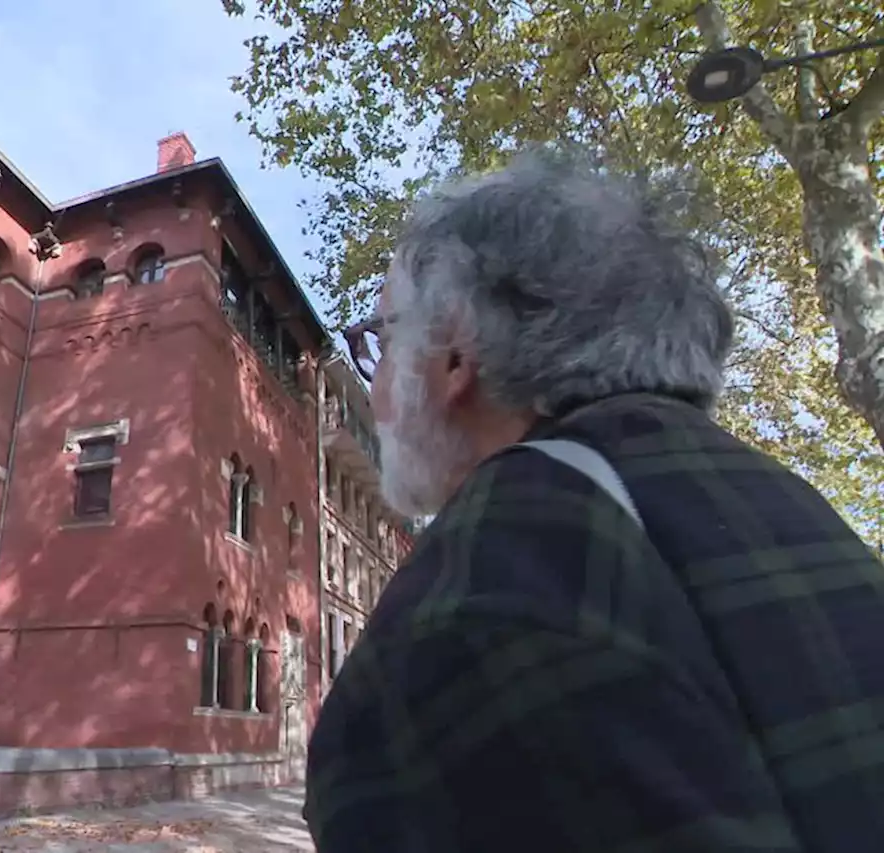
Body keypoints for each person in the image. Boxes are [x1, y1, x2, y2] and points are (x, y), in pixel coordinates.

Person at [303, 150, 884, 852]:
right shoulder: (796, 510)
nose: (373, 385)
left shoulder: (478, 588)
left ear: (454, 354)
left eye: (380, 341)